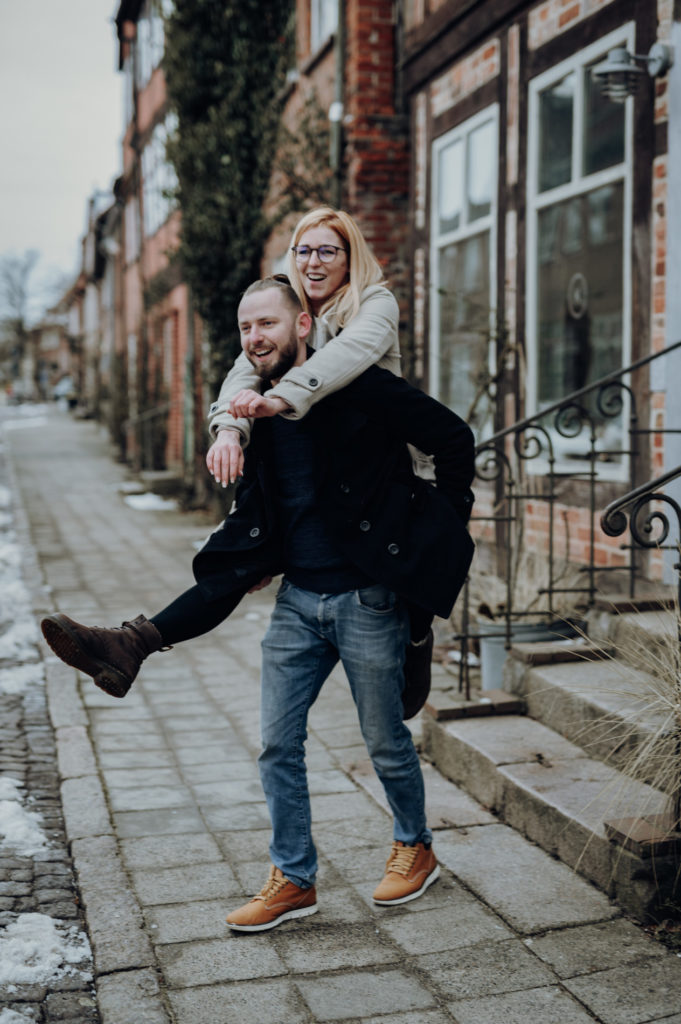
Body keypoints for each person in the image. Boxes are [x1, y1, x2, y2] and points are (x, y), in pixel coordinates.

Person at [41, 276, 475, 930]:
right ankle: (294, 878)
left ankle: (415, 846)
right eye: (245, 328)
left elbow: (454, 439)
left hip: (366, 599)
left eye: (266, 323)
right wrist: (249, 542)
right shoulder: (259, 407)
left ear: (302, 325)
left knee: (385, 739)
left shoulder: (361, 386)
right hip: (296, 601)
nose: (254, 337)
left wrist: (440, 523)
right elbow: (268, 495)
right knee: (276, 745)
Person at [205, 205, 401, 488]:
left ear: (350, 259)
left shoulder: (376, 303)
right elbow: (246, 369)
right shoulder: (289, 309)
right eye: (304, 251)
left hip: (373, 474)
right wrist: (228, 430)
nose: (313, 262)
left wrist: (278, 400)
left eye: (327, 252)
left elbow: (342, 355)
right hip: (308, 472)